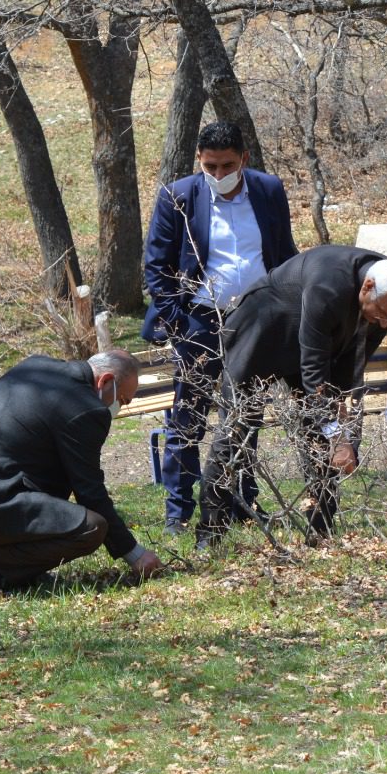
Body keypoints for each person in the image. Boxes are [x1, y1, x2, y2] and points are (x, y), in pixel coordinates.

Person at [196, 247, 387, 548]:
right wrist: (337, 436)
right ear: (367, 287)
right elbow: (314, 370)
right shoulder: (329, 285)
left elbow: (350, 367)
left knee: (320, 436)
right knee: (236, 431)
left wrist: (342, 430)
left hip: (311, 344)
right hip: (262, 330)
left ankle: (320, 532)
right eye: (381, 314)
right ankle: (209, 536)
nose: (383, 324)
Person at [142, 120, 300, 536]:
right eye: (209, 166)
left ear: (243, 159)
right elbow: (156, 267)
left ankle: (241, 500)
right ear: (199, 160)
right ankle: (179, 511)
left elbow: (283, 253)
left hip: (255, 321)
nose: (217, 174)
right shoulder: (178, 197)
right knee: (188, 417)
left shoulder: (268, 190)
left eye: (226, 165)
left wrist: (284, 311)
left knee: (245, 415)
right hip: (197, 320)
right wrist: (178, 321)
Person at [0, 351, 163, 596]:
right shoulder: (86, 408)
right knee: (91, 527)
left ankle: (22, 569)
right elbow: (90, 491)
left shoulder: (36, 367)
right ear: (105, 381)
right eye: (123, 399)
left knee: (56, 498)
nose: (121, 406)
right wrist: (134, 553)